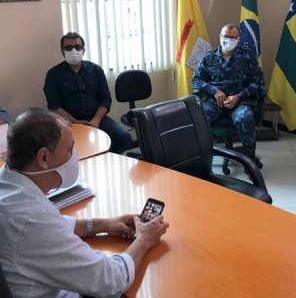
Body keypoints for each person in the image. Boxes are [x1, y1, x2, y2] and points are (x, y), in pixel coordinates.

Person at [0, 108, 169, 297]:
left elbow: (54, 225)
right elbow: (111, 280)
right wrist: (144, 240)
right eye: (70, 149)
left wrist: (104, 224)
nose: (75, 155)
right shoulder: (29, 220)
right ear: (44, 157)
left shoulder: (9, 186)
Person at [43, 32, 133, 154]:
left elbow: (105, 99)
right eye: (68, 48)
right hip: (69, 122)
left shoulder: (95, 70)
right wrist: (75, 122)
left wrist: (96, 120)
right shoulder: (53, 74)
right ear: (62, 52)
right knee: (72, 149)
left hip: (96, 119)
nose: (74, 50)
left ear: (83, 50)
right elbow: (53, 105)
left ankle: (103, 159)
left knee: (124, 138)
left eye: (77, 47)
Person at [191, 23, 265, 165]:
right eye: (225, 37)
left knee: (245, 118)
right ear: (220, 37)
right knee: (199, 118)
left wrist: (239, 96)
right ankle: (202, 158)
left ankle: (250, 160)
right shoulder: (209, 57)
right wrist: (214, 91)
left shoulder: (248, 57)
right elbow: (196, 80)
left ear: (238, 39)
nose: (228, 40)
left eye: (232, 38)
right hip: (215, 101)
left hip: (240, 101)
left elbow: (258, 81)